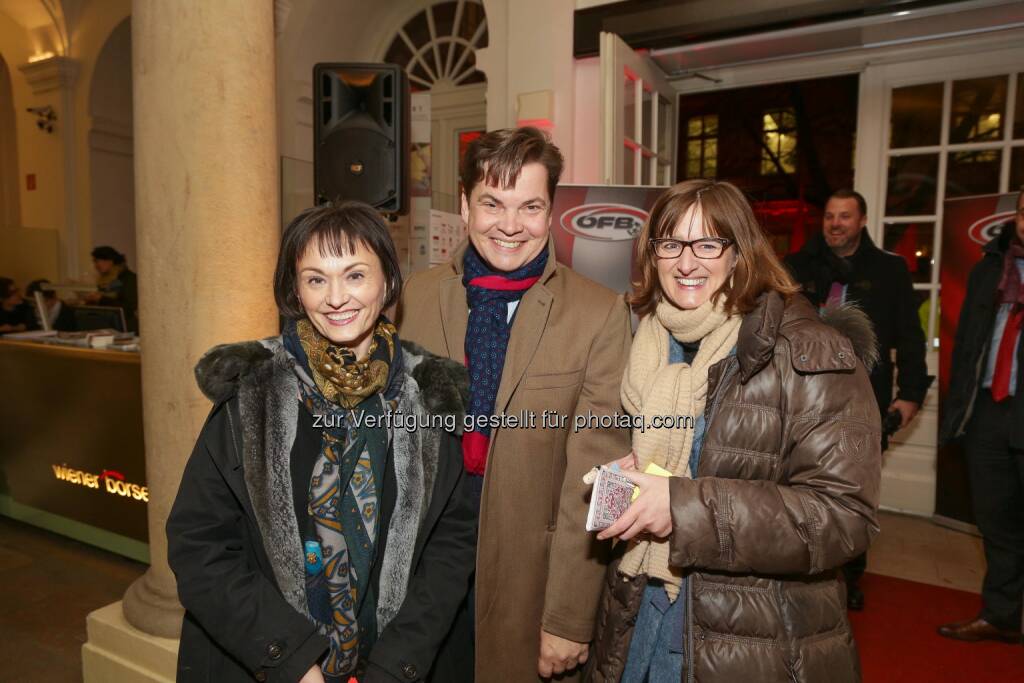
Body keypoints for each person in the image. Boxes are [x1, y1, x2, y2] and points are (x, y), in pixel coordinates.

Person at [167, 201, 476, 682]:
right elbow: (200, 546)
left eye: (355, 275)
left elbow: (452, 545)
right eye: (316, 279)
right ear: (295, 290)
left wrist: (396, 665)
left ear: (388, 282)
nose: (336, 298)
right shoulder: (253, 395)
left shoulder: (432, 396)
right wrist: (292, 661)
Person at [587, 180, 881, 683]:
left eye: (708, 244)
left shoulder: (809, 351)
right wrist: (641, 473)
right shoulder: (648, 340)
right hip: (641, 615)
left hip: (753, 640)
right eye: (671, 244)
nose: (687, 262)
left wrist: (681, 506)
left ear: (740, 251)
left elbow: (842, 516)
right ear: (651, 253)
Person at [398, 127, 632, 682]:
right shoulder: (413, 298)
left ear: (551, 210)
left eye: (529, 206)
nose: (509, 225)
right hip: (420, 584)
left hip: (532, 585)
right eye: (492, 204)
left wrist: (570, 617)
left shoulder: (598, 314)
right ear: (464, 206)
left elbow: (607, 480)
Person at [785, 188, 930, 610]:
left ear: (862, 221)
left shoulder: (889, 270)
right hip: (801, 398)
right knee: (798, 486)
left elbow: (910, 337)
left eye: (844, 216)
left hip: (866, 400)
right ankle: (801, 572)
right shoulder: (796, 266)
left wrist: (912, 396)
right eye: (829, 216)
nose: (835, 224)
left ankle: (849, 577)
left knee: (854, 488)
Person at [936, 186, 1024, 645]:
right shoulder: (989, 268)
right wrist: (959, 416)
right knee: (996, 522)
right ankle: (1002, 614)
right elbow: (967, 344)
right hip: (990, 411)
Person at [84, 245, 139, 332]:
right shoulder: (104, 280)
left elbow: (129, 308)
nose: (96, 265)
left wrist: (101, 299)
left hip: (126, 329)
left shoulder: (128, 279)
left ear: (110, 261)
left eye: (97, 261)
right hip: (111, 327)